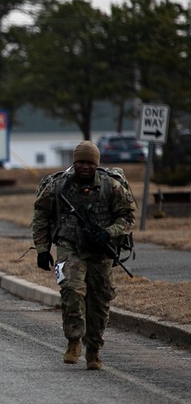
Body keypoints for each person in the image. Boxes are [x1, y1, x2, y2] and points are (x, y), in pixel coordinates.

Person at [32, 140, 136, 370]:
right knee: (71, 289)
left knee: (99, 300)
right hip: (70, 247)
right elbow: (40, 215)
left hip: (100, 251)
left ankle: (94, 351)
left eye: (89, 162)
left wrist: (108, 233)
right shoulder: (59, 187)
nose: (85, 167)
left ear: (96, 164)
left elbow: (128, 218)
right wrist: (42, 249)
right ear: (74, 162)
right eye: (80, 162)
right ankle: (73, 342)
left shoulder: (112, 186)